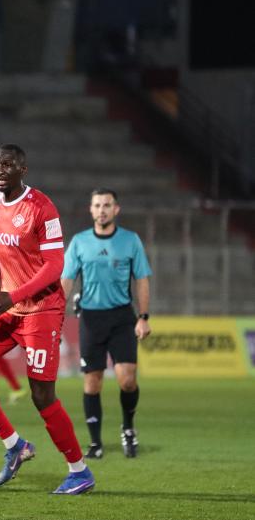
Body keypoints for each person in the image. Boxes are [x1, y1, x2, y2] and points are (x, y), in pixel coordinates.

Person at [0, 144, 95, 495]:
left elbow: (54, 267)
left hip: (41, 310)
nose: (0, 170)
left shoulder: (41, 208)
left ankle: (79, 470)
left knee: (42, 395)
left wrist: (12, 295)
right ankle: (15, 445)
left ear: (23, 169)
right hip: (7, 310)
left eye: (8, 164)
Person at [61, 188, 152, 459]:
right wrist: (56, 313)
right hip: (91, 318)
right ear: (91, 210)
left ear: (116, 209)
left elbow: (142, 279)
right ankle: (95, 443)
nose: (102, 210)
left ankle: (128, 427)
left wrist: (144, 317)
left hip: (122, 317)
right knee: (93, 382)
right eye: (97, 205)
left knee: (127, 380)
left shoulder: (130, 240)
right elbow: (66, 280)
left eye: (107, 205)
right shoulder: (79, 242)